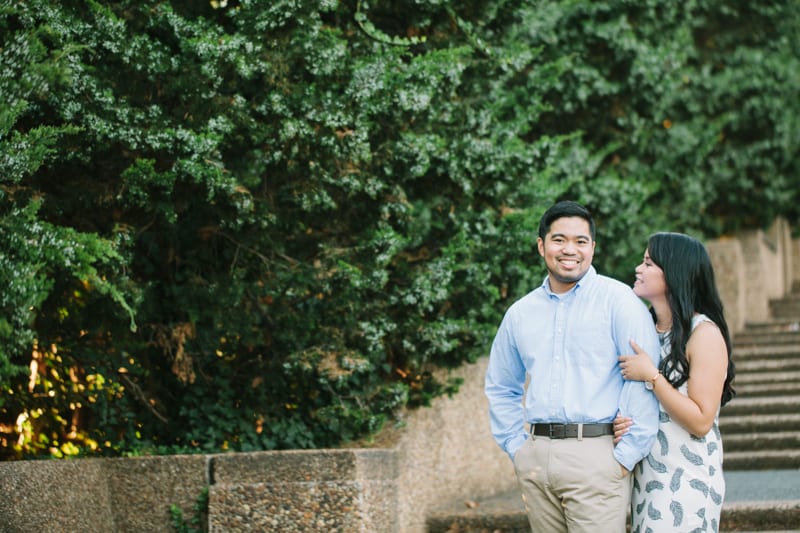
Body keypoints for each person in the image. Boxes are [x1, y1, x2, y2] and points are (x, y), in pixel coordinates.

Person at [485, 200, 662, 533]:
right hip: (536, 459)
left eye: (581, 241)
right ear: (541, 246)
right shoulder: (521, 313)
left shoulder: (619, 301)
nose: (570, 250)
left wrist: (624, 458)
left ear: (593, 248)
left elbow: (643, 379)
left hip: (597, 456)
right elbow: (501, 384)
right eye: (559, 239)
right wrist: (517, 449)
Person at [615, 232, 736, 533]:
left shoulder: (703, 333)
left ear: (674, 272)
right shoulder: (644, 330)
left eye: (648, 263)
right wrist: (620, 423)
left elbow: (701, 420)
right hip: (646, 477)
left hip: (688, 479)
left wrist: (653, 377)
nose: (638, 269)